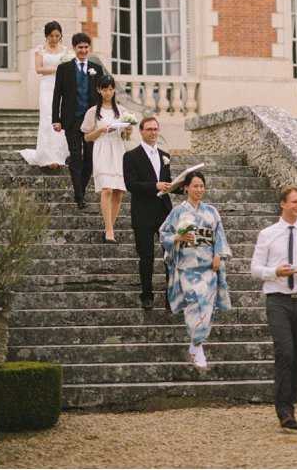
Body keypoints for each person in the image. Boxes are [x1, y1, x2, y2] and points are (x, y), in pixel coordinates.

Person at [250, 185, 297, 431]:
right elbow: (255, 268)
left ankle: (290, 404)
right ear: (283, 204)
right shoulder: (268, 234)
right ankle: (284, 410)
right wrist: (275, 272)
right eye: (294, 202)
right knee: (285, 351)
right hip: (278, 299)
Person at [160, 170, 232, 371]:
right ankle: (197, 345)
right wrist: (178, 238)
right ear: (186, 188)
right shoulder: (178, 212)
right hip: (187, 267)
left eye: (202, 186)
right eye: (195, 186)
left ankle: (196, 345)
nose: (199, 189)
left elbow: (220, 235)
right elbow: (164, 233)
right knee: (194, 304)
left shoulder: (211, 211)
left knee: (207, 308)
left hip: (208, 267)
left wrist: (218, 254)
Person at [123, 116, 172, 310]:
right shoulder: (131, 156)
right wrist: (155, 186)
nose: (153, 132)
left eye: (155, 129)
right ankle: (146, 294)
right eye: (149, 129)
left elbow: (167, 183)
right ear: (141, 131)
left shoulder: (164, 155)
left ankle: (171, 296)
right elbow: (131, 185)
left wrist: (180, 187)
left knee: (170, 256)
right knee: (146, 257)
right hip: (142, 213)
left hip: (164, 212)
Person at [51, 32, 104, 208]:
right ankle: (79, 196)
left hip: (91, 123)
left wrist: (103, 116)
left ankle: (80, 187)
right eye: (80, 47)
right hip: (71, 120)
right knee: (75, 157)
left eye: (86, 47)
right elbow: (57, 94)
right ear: (74, 48)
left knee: (89, 158)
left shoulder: (96, 68)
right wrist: (56, 119)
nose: (83, 50)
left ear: (89, 48)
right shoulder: (64, 68)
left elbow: (103, 94)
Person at [81, 74, 132, 244]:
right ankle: (109, 230)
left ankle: (110, 226)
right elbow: (87, 137)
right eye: (105, 89)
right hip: (102, 148)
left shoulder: (122, 111)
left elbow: (125, 136)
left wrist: (127, 131)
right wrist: (101, 130)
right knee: (107, 189)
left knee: (118, 191)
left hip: (118, 149)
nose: (108, 92)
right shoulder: (92, 111)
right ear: (99, 90)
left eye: (111, 89)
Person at [19, 21, 70, 169]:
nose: (54, 39)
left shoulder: (65, 50)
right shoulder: (40, 50)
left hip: (62, 87)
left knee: (60, 116)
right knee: (48, 117)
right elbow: (38, 69)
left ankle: (59, 154)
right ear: (46, 36)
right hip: (47, 86)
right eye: (51, 36)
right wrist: (57, 69)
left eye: (57, 36)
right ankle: (47, 155)